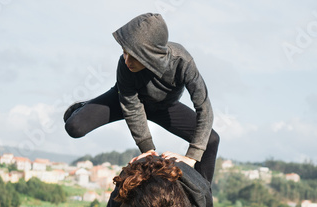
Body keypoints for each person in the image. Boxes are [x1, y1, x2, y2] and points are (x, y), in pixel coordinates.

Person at [64, 13, 219, 183]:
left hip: (164, 106)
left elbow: (204, 107)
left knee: (211, 140)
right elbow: (131, 107)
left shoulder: (182, 61)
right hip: (126, 99)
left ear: (150, 54)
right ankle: (86, 106)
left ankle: (203, 197)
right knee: (74, 127)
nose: (127, 60)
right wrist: (148, 149)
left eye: (134, 56)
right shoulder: (124, 64)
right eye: (125, 53)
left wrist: (191, 157)